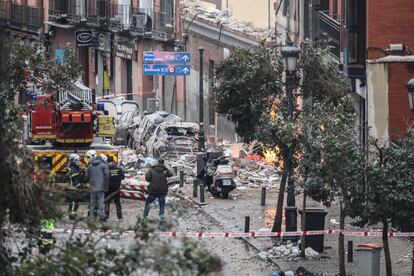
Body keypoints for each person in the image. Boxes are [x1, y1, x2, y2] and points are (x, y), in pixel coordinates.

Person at [85, 153, 109, 222]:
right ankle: (101, 217)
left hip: (92, 187)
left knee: (92, 202)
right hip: (101, 187)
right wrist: (106, 186)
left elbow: (86, 176)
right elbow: (107, 176)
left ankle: (91, 216)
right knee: (101, 201)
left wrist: (89, 182)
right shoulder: (104, 166)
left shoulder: (90, 166)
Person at [105, 155, 124, 221]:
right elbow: (123, 177)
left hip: (108, 187)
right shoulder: (119, 168)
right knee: (117, 202)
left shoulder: (106, 168)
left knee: (107, 202)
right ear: (113, 161)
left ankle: (106, 217)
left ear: (107, 161)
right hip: (117, 188)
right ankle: (120, 218)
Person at [66, 153, 84, 220]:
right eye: (77, 160)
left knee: (74, 202)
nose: (78, 161)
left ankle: (72, 213)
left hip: (72, 188)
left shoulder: (72, 167)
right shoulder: (73, 169)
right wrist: (80, 185)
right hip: (73, 189)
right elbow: (75, 180)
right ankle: (72, 215)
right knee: (74, 202)